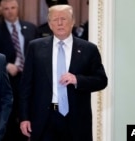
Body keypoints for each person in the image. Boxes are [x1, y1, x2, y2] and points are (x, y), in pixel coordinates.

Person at [19, 5, 107, 141]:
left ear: (72, 21)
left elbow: (101, 80)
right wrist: (24, 118)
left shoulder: (88, 49)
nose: (59, 23)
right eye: (55, 19)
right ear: (49, 24)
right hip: (45, 119)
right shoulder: (35, 47)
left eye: (63, 19)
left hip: (76, 119)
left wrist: (77, 79)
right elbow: (26, 86)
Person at [0, 0, 38, 140]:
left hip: (28, 82)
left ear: (18, 8)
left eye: (13, 8)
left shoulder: (31, 28)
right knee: (8, 123)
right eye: (6, 8)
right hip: (6, 82)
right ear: (2, 10)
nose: (10, 11)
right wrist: (6, 66)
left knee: (27, 120)